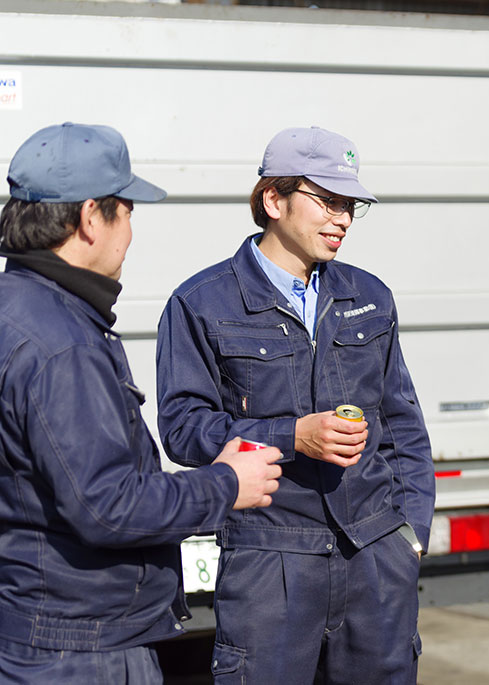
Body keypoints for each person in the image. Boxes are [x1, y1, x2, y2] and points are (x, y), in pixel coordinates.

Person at [0, 122, 282, 683]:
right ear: (88, 218)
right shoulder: (64, 346)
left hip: (33, 627)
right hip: (82, 649)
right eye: (127, 212)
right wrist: (227, 483)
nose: (130, 232)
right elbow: (108, 506)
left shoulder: (17, 309)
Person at [155, 126, 435, 684]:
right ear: (274, 199)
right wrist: (292, 436)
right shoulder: (201, 303)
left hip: (375, 555)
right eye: (327, 201)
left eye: (350, 205)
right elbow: (184, 429)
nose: (343, 220)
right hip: (269, 558)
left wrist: (410, 536)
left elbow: (403, 427)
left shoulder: (370, 296)